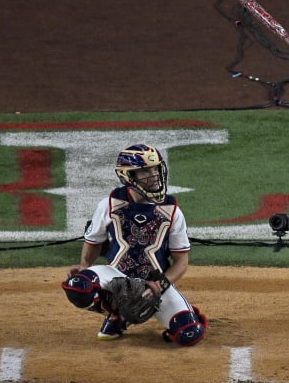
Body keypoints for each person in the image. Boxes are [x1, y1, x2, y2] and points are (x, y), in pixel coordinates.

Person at [63, 144, 207, 346]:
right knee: (78, 286)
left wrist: (160, 285)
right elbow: (93, 241)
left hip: (154, 284)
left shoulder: (172, 210)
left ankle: (173, 314)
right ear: (128, 176)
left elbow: (181, 262)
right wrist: (85, 268)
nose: (154, 175)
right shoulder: (109, 204)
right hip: (116, 276)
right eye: (146, 171)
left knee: (190, 334)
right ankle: (116, 314)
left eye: (156, 168)